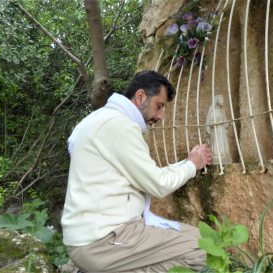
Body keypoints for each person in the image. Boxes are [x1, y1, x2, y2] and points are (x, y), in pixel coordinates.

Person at [61, 70, 212, 273]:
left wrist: (188, 162)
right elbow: (158, 183)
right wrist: (193, 164)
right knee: (204, 246)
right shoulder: (120, 126)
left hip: (92, 239)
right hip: (103, 241)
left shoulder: (100, 119)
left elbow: (148, 173)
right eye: (159, 106)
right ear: (140, 96)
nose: (161, 116)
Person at [205, 95, 232, 165]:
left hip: (222, 131)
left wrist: (229, 123)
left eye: (223, 100)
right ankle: (217, 156)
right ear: (217, 101)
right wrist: (215, 122)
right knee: (216, 144)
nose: (222, 102)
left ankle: (223, 156)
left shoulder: (222, 111)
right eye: (221, 100)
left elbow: (225, 122)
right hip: (216, 131)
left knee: (223, 144)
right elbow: (210, 123)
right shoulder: (213, 111)